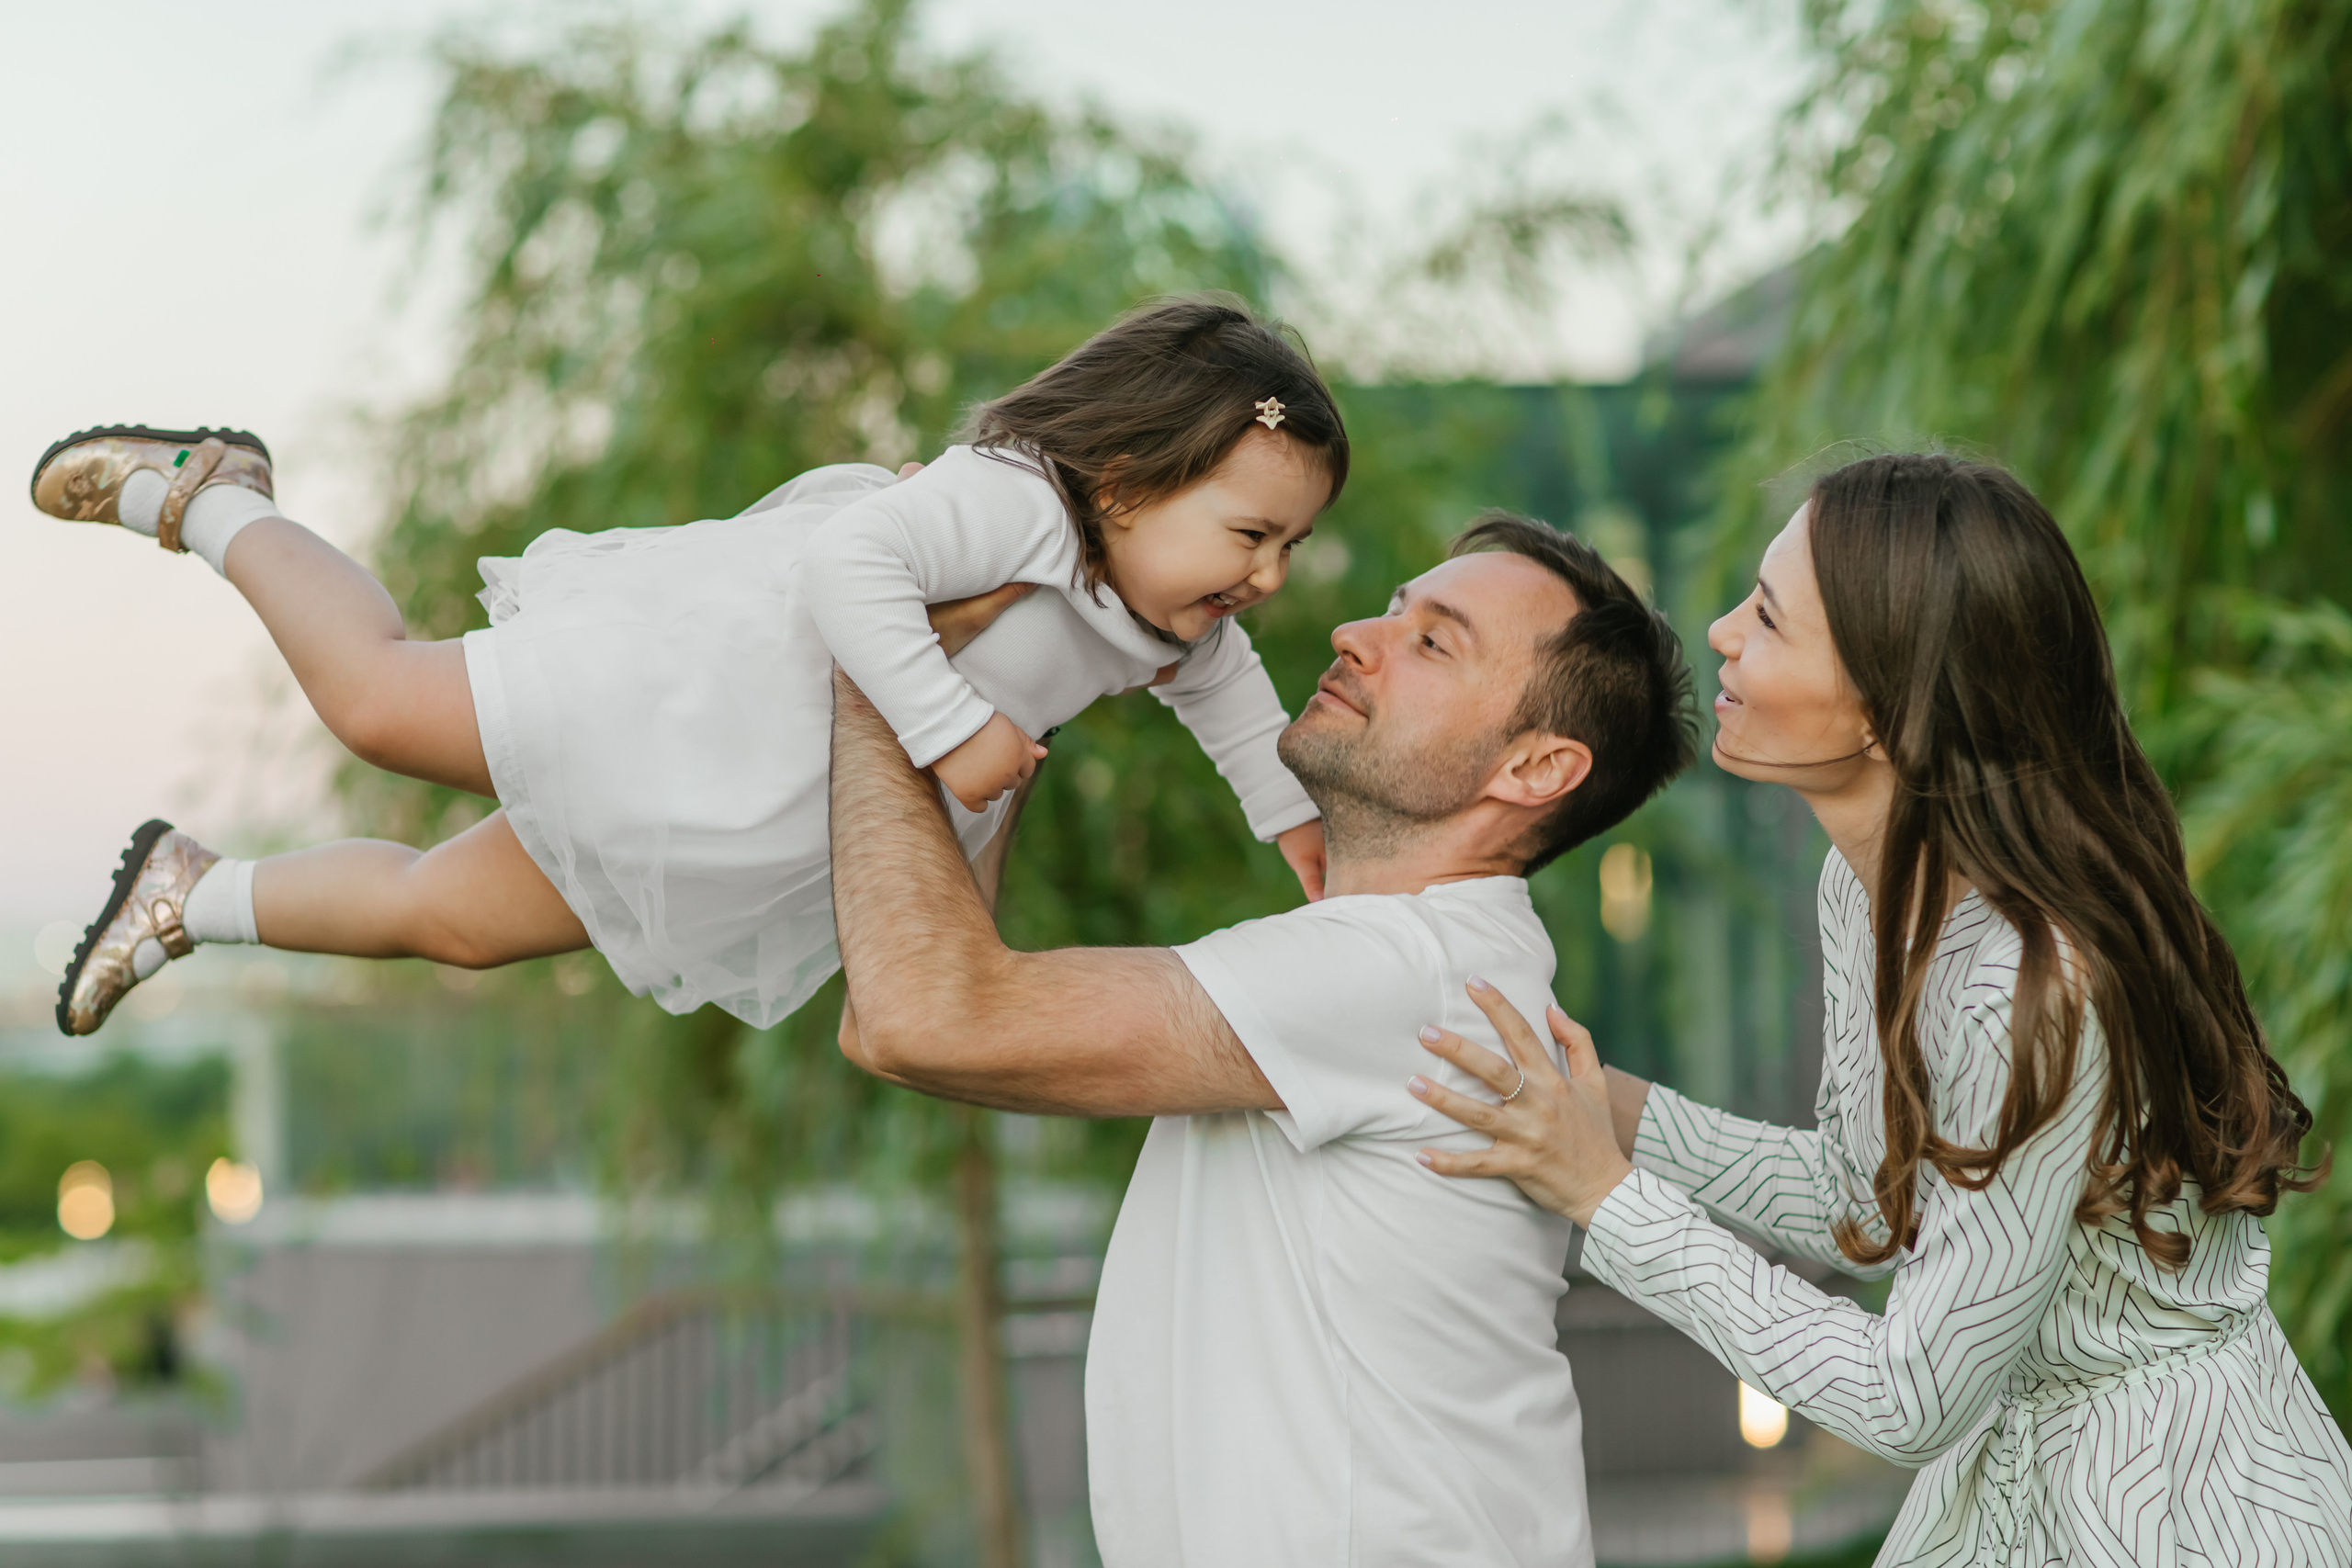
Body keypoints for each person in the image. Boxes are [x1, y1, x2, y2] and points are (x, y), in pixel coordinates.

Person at [1408, 454, 2352, 1565]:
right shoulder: (1869, 889)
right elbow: (1868, 1203)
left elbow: (1912, 1398)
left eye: (1765, 617)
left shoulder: (2028, 988)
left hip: (2169, 1503)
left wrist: (1601, 1197)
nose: (1716, 632)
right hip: (2019, 1469)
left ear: (1890, 703)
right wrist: (1611, 1111)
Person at [30, 295, 1343, 1036]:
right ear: (1126, 478)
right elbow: (850, 570)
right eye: (1253, 532)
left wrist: (1295, 821)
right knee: (379, 700)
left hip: (758, 799)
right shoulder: (1014, 504)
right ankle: (208, 493)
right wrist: (949, 729)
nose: (1270, 574)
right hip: (696, 690)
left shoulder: (1184, 617)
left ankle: (190, 893)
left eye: (1289, 542)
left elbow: (1236, 710)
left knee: (458, 920)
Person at [827, 512, 1698, 1566]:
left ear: (1533, 768)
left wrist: (875, 652)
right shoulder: (1413, 963)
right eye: (1391, 608)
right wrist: (996, 687)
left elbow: (922, 1019)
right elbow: (905, 1003)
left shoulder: (1396, 968)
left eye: (1432, 641)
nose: (1350, 634)